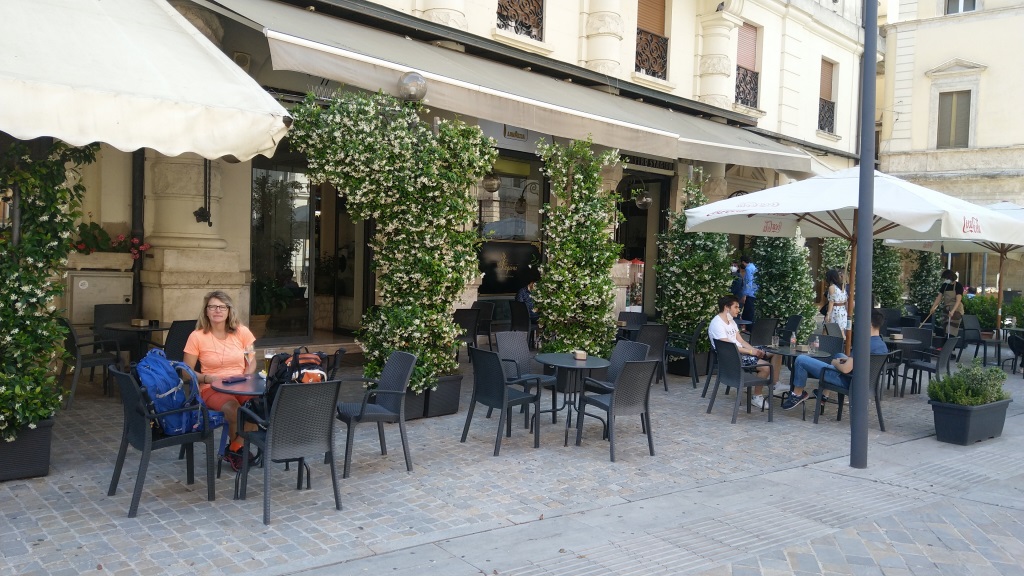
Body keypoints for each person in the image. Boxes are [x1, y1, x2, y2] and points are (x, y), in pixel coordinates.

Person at [182, 290, 258, 471]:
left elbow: (252, 360)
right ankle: (238, 450)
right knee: (234, 410)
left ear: (229, 310)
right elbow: (186, 372)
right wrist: (207, 378)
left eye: (222, 307)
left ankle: (235, 447)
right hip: (212, 387)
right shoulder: (197, 336)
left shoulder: (242, 332)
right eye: (212, 307)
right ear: (206, 311)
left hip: (240, 384)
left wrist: (246, 375)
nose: (217, 310)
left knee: (259, 407)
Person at [782, 308, 889, 410]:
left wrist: (835, 363)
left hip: (848, 382)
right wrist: (846, 361)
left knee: (801, 359)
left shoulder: (863, 344)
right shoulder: (882, 345)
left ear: (869, 325)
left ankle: (797, 394)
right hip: (864, 383)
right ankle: (824, 395)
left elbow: (845, 369)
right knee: (839, 355)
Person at [708, 295, 781, 410]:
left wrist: (754, 350)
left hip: (741, 352)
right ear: (727, 307)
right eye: (736, 307)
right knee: (766, 367)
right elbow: (730, 347)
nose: (739, 310)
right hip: (731, 357)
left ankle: (775, 384)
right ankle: (756, 397)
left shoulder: (731, 321)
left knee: (776, 352)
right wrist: (751, 352)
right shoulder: (717, 324)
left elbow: (741, 341)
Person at [927, 269, 964, 338]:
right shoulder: (944, 285)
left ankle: (950, 342)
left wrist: (953, 311)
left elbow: (958, 300)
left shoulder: (958, 286)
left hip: (956, 309)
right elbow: (939, 297)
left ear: (950, 277)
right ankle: (944, 342)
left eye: (946, 278)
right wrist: (933, 307)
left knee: (951, 329)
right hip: (946, 308)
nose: (945, 280)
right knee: (944, 327)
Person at [739, 255, 758, 323]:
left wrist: (745, 294)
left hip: (750, 294)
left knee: (747, 314)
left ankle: (748, 327)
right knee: (751, 312)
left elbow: (748, 282)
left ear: (743, 262)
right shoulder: (754, 267)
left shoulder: (748, 269)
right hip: (754, 292)